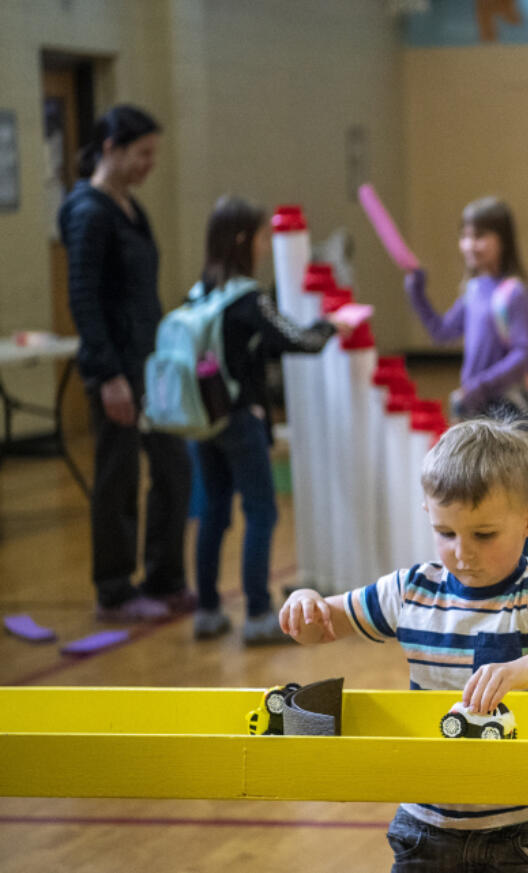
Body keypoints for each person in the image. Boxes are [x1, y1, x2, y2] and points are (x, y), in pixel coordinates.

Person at [279, 417, 528, 872]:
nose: (463, 551)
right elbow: (321, 626)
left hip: (519, 832)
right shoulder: (411, 589)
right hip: (424, 826)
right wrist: (305, 605)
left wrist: (525, 670)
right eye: (446, 533)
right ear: (429, 516)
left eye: (484, 534)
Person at [189, 196, 352, 644]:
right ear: (244, 239)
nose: (265, 246)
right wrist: (332, 326)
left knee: (213, 514)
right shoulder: (247, 298)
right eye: (262, 237)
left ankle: (207, 610)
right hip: (241, 419)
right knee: (260, 511)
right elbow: (296, 339)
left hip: (202, 419)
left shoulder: (200, 292)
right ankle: (259, 614)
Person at [58, 104, 193, 622]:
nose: (149, 164)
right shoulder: (88, 211)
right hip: (115, 369)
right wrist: (108, 376)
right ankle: (114, 589)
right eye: (142, 153)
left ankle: (163, 578)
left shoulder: (129, 206)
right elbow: (83, 299)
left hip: (151, 366)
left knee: (174, 468)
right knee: (117, 477)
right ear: (110, 148)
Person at [403, 196, 528, 439]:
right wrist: (417, 294)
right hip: (476, 406)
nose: (469, 245)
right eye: (464, 236)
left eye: (479, 237)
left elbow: (527, 352)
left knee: (505, 477)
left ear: (503, 241)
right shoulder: (474, 289)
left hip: (507, 410)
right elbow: (441, 333)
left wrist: (482, 385)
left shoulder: (515, 293)